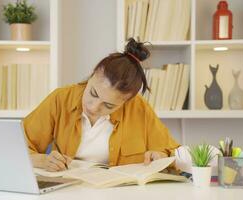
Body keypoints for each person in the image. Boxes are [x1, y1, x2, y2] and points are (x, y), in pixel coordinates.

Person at [23, 38, 180, 172]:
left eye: (109, 106)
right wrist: (42, 161)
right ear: (92, 75)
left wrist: (161, 156)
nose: (93, 107)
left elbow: (172, 152)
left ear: (126, 102)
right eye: (93, 93)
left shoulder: (139, 109)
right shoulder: (60, 99)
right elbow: (18, 148)